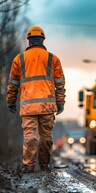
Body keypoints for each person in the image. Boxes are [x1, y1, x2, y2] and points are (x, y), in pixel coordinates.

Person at [7, 26, 65, 173]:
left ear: (29, 41)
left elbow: (12, 84)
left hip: (28, 107)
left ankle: (29, 166)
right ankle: (44, 165)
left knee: (30, 138)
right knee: (46, 139)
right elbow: (60, 84)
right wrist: (60, 102)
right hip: (47, 107)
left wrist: (11, 101)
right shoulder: (53, 59)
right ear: (43, 40)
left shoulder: (19, 59)